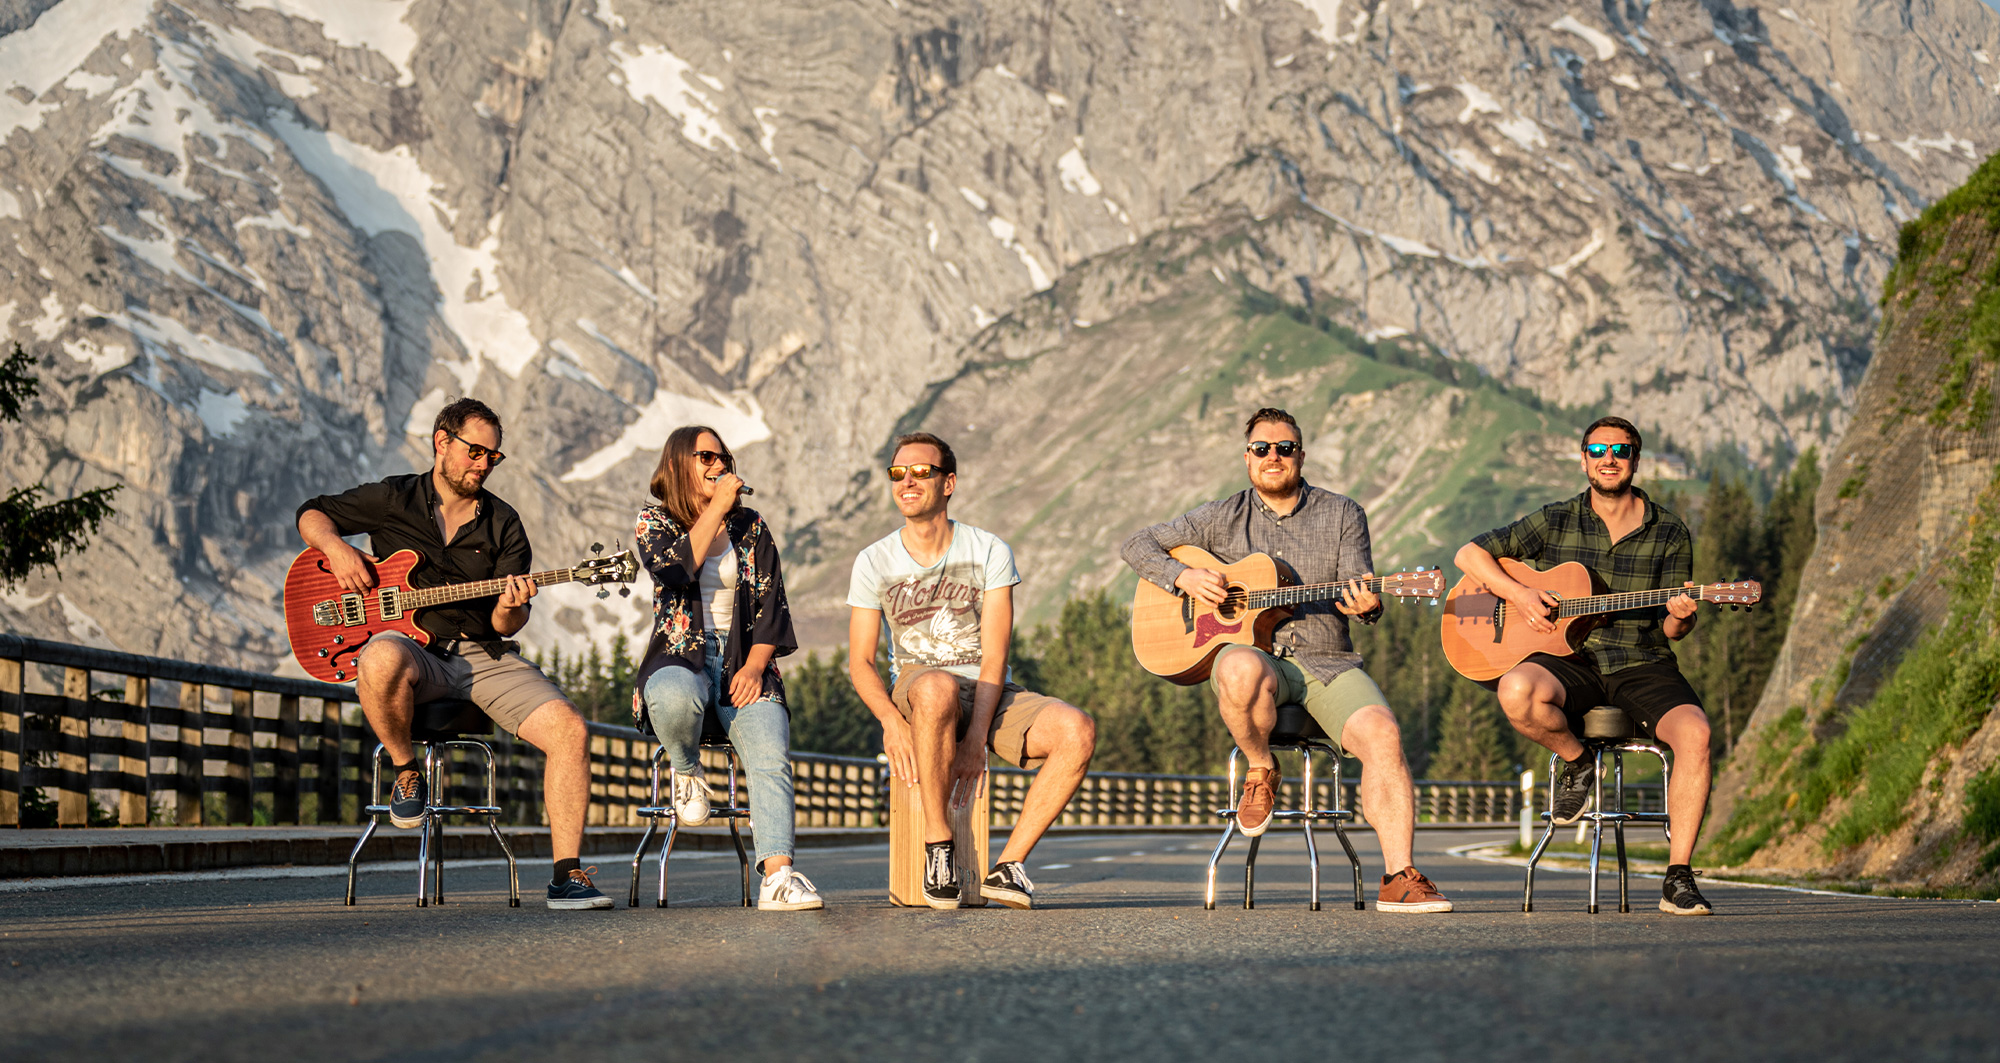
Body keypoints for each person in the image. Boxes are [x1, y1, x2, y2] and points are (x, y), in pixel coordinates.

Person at [1122, 407, 1453, 914]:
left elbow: (1359, 588)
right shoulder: (1218, 516)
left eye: (1284, 448)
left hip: (1327, 661)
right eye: (1261, 449)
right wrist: (1181, 577)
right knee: (1236, 664)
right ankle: (1261, 768)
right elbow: (1137, 544)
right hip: (1256, 663)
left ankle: (1398, 875)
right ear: (1248, 457)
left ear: (1301, 455)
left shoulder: (1343, 513)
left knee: (1384, 734)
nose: (1272, 456)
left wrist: (1371, 604)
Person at [296, 398, 609, 910]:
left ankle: (566, 875)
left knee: (570, 730)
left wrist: (512, 606)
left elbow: (506, 623)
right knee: (378, 658)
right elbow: (311, 513)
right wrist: (337, 549)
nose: (483, 463)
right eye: (475, 451)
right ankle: (405, 769)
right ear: (442, 441)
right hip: (409, 650)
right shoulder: (393, 497)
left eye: (493, 456)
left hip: (482, 654)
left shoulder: (505, 524)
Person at [1452, 415, 1715, 916]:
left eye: (1619, 451)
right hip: (1565, 658)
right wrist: (1521, 594)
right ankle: (1577, 761)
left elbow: (1671, 629)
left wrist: (1682, 616)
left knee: (1696, 734)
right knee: (1516, 691)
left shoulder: (1670, 532)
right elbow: (1470, 554)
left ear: (1635, 460)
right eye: (1598, 451)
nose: (1608, 459)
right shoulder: (1556, 519)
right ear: (1583, 459)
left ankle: (1677, 877)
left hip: (1642, 660)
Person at [846, 432, 1097, 910]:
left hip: (987, 688)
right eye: (898, 473)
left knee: (1076, 729)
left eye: (922, 472)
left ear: (949, 483)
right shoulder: (873, 560)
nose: (908, 481)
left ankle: (1008, 867)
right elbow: (860, 662)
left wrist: (976, 737)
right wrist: (890, 723)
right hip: (920, 686)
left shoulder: (988, 550)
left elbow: (995, 656)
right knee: (937, 686)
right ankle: (938, 848)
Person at [632, 426, 821, 911]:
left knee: (769, 750)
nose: (719, 465)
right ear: (677, 464)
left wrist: (757, 667)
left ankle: (779, 876)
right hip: (679, 654)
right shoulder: (654, 522)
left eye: (724, 457)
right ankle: (687, 769)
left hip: (744, 660)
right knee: (674, 694)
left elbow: (772, 604)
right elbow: (674, 571)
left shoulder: (751, 526)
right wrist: (715, 507)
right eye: (706, 457)